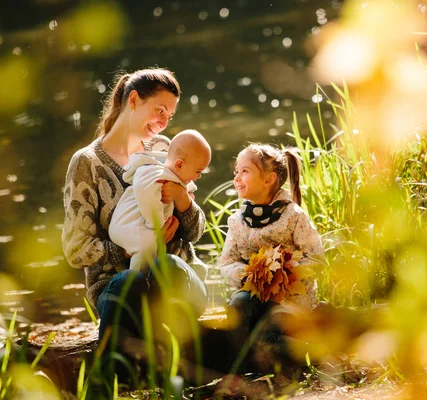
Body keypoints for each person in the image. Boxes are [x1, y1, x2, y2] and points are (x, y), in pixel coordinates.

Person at [61, 68, 208, 367]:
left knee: (167, 265)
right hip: (119, 288)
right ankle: (116, 374)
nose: (165, 122)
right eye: (159, 110)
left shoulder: (166, 151)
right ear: (133, 100)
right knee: (130, 282)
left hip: (175, 279)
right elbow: (76, 249)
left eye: (170, 115)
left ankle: (186, 367)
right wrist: (128, 249)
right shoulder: (87, 163)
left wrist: (181, 198)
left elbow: (196, 232)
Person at [218, 143, 324, 376]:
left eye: (245, 171)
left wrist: (287, 274)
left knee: (268, 335)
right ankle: (234, 366)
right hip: (254, 292)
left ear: (269, 180)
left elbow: (317, 259)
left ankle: (310, 352)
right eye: (236, 171)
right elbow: (226, 262)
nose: (237, 177)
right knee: (238, 307)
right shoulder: (237, 221)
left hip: (288, 300)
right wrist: (248, 274)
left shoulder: (293, 216)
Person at [109, 129, 211, 273]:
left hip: (167, 256)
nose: (199, 177)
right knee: (146, 246)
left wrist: (182, 196)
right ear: (179, 165)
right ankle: (138, 280)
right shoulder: (153, 172)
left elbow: (194, 233)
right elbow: (146, 195)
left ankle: (147, 279)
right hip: (127, 225)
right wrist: (156, 224)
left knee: (152, 248)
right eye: (198, 171)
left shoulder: (175, 173)